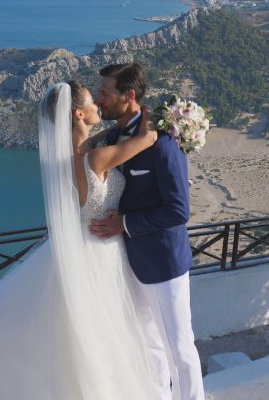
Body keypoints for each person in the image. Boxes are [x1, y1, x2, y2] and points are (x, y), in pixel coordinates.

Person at [0, 80, 159, 400]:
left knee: (78, 329)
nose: (99, 105)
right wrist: (153, 113)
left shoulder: (70, 156)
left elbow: (89, 144)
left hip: (77, 245)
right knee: (101, 331)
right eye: (92, 102)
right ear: (78, 113)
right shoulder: (96, 159)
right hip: (99, 248)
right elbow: (148, 138)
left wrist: (109, 129)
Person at [89, 63, 205, 400]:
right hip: (129, 263)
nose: (98, 99)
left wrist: (124, 223)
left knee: (179, 348)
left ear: (128, 96)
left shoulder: (163, 144)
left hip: (163, 262)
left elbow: (178, 210)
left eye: (105, 93)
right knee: (149, 346)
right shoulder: (114, 138)